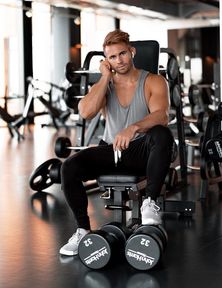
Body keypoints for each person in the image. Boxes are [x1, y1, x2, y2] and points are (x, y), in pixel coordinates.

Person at [59, 29, 174, 256]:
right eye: (112, 57)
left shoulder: (153, 81)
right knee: (69, 167)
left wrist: (133, 128)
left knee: (162, 134)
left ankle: (149, 203)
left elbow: (162, 115)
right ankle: (82, 229)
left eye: (122, 54)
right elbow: (85, 112)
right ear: (107, 60)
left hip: (143, 152)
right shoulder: (106, 84)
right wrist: (104, 78)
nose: (119, 60)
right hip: (112, 151)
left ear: (132, 51)